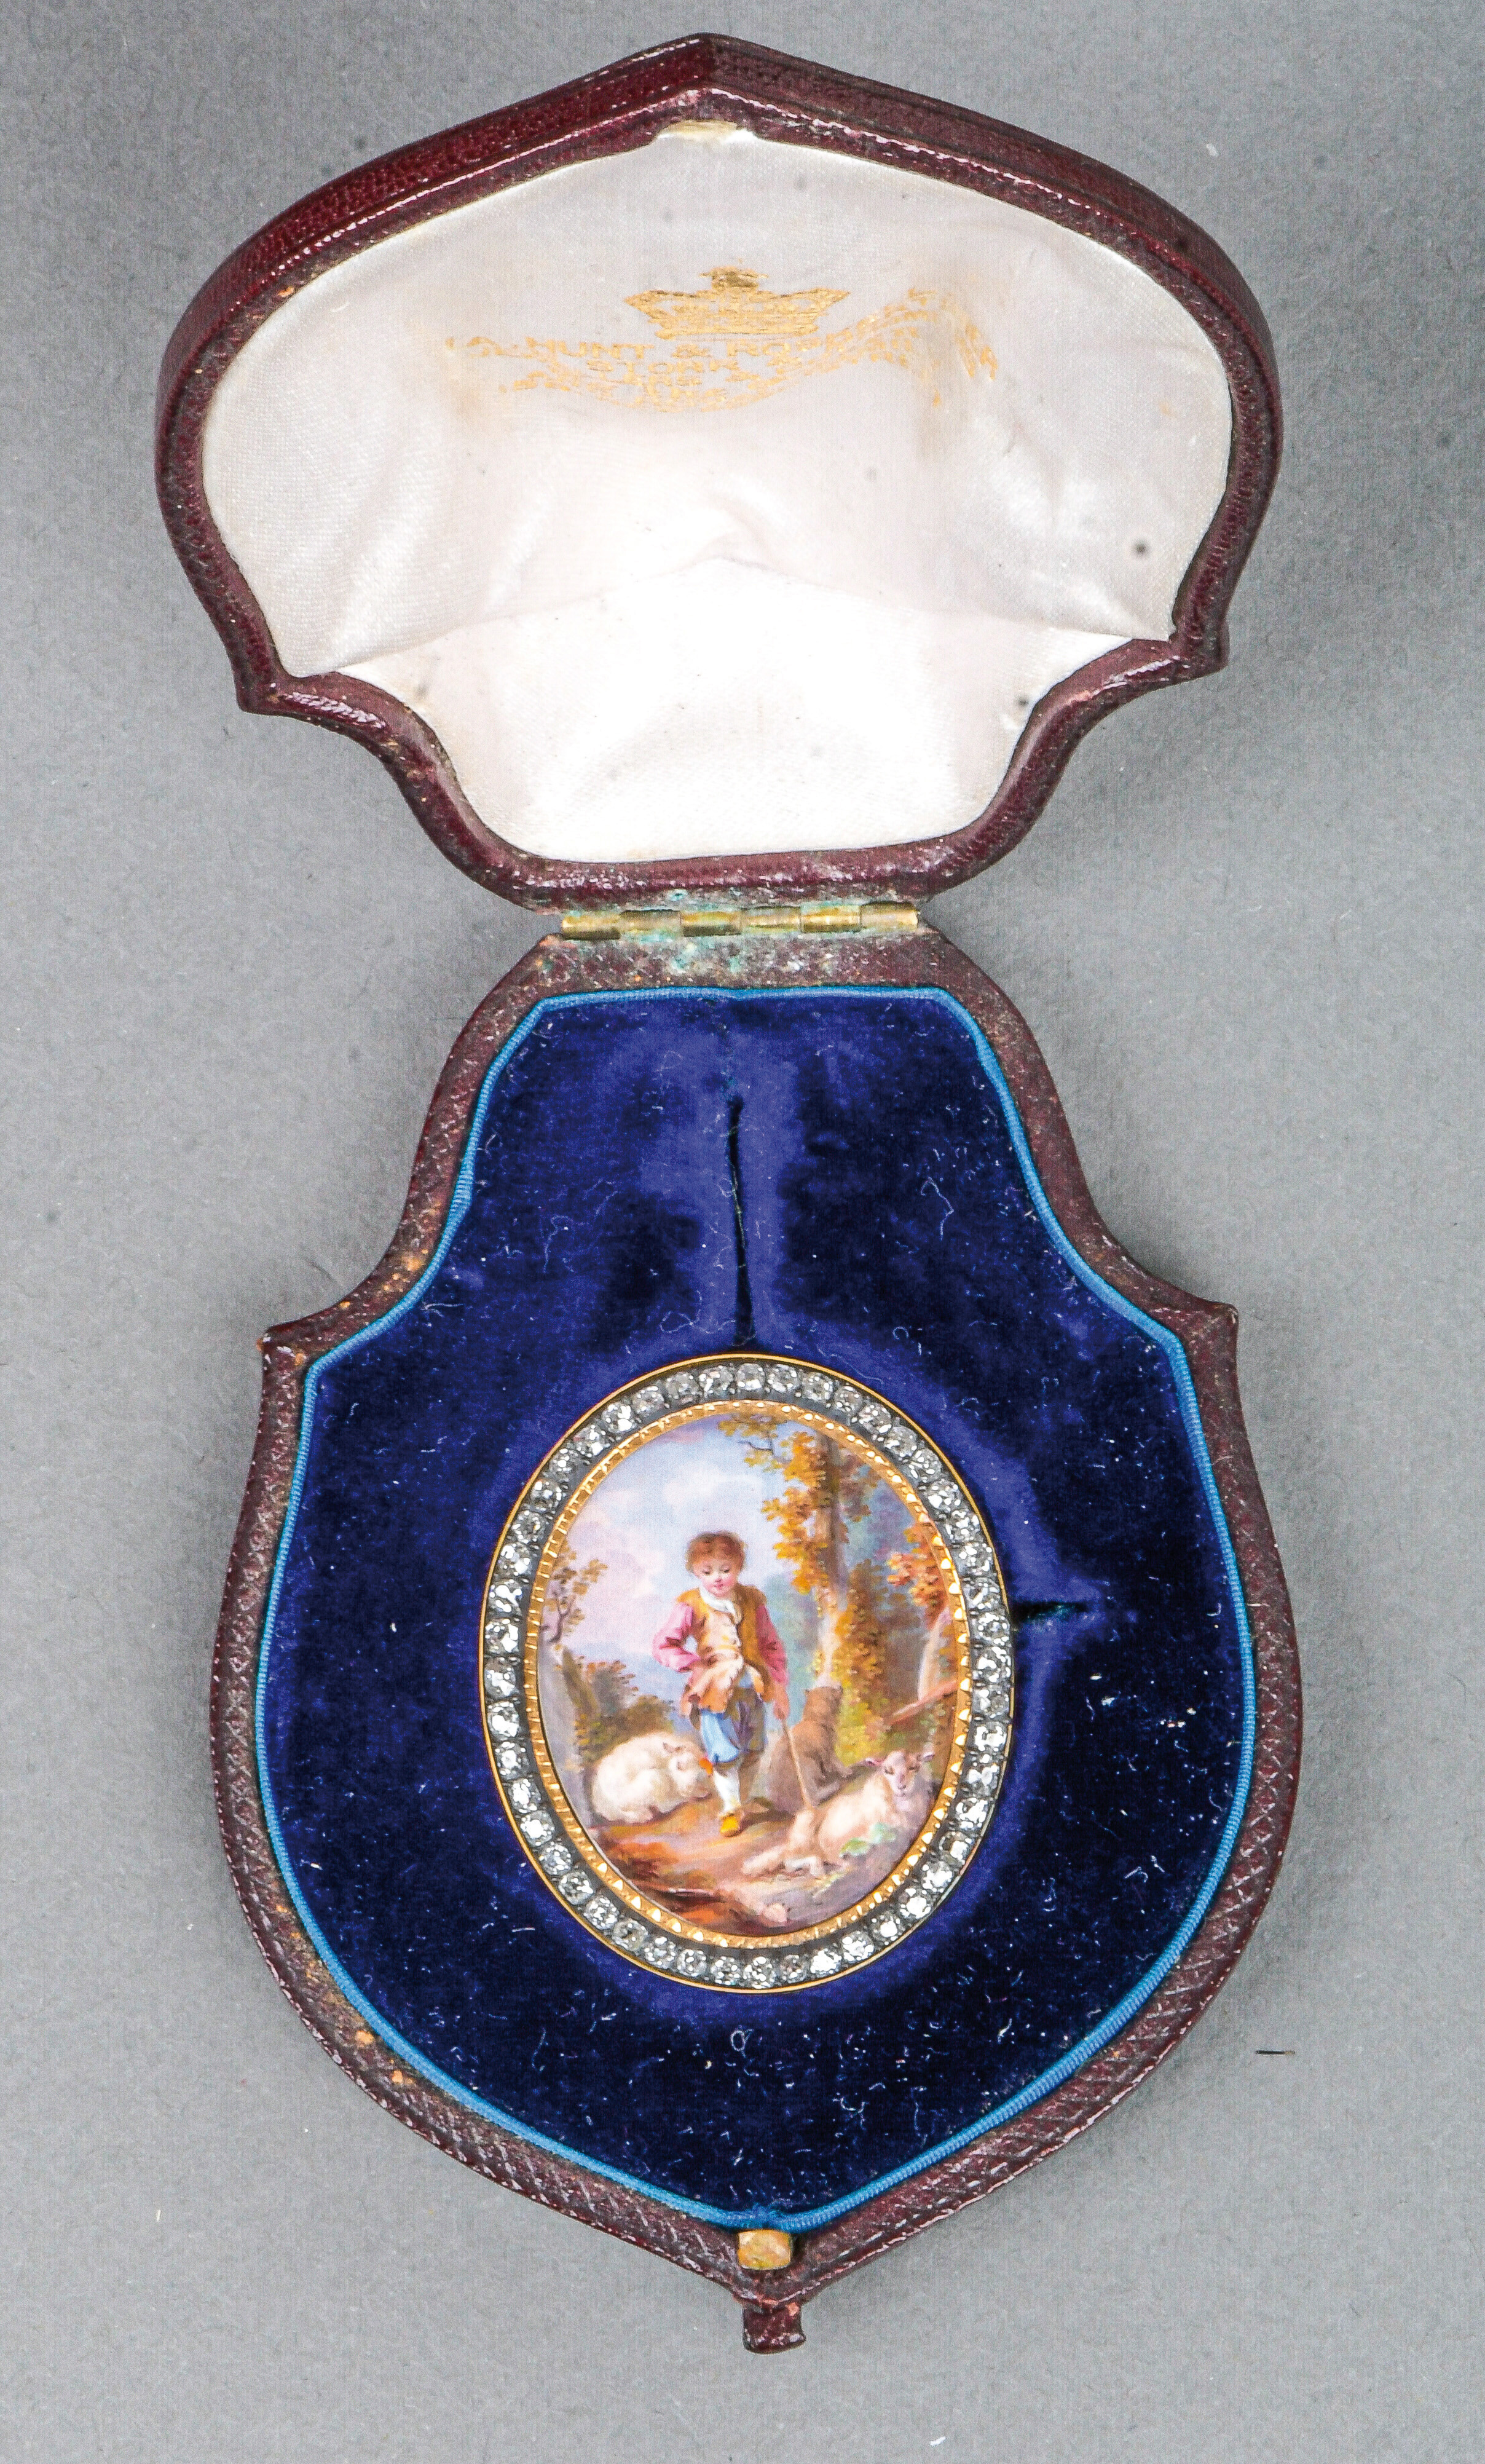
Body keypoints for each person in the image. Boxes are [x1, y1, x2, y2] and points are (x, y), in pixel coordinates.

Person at [652, 1532, 790, 1837]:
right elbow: (663, 1645)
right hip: (714, 1692)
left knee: (754, 1748)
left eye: (725, 1570)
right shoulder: (691, 1605)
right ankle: (730, 1809)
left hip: (753, 1687)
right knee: (725, 1753)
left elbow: (771, 1646)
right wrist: (694, 1664)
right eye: (708, 1571)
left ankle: (744, 1801)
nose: (717, 1578)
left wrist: (779, 1686)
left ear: (738, 1568)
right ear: (696, 1572)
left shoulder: (753, 1602)